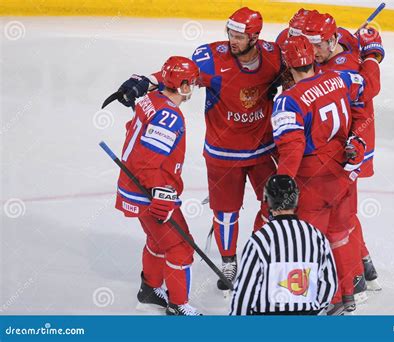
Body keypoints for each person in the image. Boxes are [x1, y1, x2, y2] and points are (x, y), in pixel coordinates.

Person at [271, 35, 374, 314]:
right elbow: (365, 97)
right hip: (341, 173)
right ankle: (346, 294)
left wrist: (283, 185)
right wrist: (358, 141)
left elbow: (292, 149)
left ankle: (301, 303)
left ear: (287, 64)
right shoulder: (341, 79)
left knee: (302, 242)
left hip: (311, 180)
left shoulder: (288, 100)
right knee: (340, 234)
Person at [190, 7, 283, 291]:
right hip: (223, 154)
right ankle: (229, 261)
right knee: (226, 212)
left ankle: (261, 254)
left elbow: (299, 71)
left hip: (262, 149)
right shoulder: (211, 60)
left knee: (275, 205)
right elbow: (182, 74)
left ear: (255, 37)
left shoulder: (273, 58)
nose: (233, 40)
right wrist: (149, 82)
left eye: (240, 36)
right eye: (231, 33)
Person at [302, 11, 384, 301]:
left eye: (316, 46)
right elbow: (353, 41)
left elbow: (370, 87)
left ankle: (356, 277)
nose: (311, 52)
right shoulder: (344, 41)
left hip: (351, 144)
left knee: (342, 214)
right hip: (345, 142)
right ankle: (364, 264)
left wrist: (373, 56)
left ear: (330, 39)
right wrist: (369, 49)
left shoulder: (339, 72)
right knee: (343, 212)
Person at [114, 56, 202, 315]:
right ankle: (178, 305)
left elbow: (131, 128)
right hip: (149, 193)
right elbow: (147, 163)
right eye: (192, 83)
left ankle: (150, 288)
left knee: (156, 239)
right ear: (183, 85)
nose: (194, 87)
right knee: (180, 247)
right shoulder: (170, 116)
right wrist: (160, 193)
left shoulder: (149, 100)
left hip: (133, 187)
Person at [230, 175, 337, 315]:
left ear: (268, 200)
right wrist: (313, 312)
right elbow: (329, 284)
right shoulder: (316, 236)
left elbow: (245, 293)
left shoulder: (260, 239)